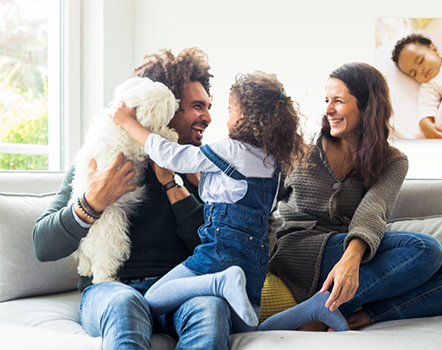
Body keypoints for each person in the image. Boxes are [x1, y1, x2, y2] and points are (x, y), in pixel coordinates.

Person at [33, 48, 228, 350]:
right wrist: (93, 202)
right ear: (164, 106)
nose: (208, 117)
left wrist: (173, 184)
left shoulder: (201, 168)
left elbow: (214, 250)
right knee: (125, 303)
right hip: (111, 289)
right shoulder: (101, 156)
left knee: (211, 308)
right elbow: (42, 245)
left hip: (177, 289)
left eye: (209, 106)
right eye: (197, 106)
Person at [267, 62, 442, 331]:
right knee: (425, 249)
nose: (328, 109)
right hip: (298, 251)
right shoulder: (299, 147)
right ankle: (323, 309)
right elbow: (265, 204)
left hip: (351, 258)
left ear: (367, 105)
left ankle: (362, 315)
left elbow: (373, 209)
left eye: (339, 101)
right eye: (326, 100)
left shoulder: (392, 160)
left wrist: (351, 260)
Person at [110, 71, 311, 332]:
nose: (224, 117)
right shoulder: (273, 163)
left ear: (243, 117)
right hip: (254, 261)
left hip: (220, 253)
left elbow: (173, 156)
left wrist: (128, 122)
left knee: (153, 298)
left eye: (229, 109)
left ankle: (219, 282)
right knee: (248, 329)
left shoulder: (229, 150)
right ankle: (314, 307)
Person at [391, 34, 442, 139]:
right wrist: (425, 124)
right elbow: (426, 106)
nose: (420, 70)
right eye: (414, 73)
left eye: (420, 61)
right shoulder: (429, 86)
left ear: (433, 50)